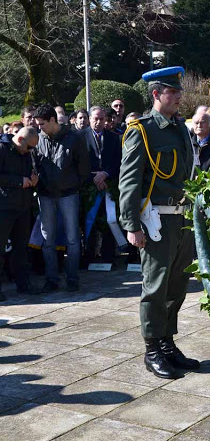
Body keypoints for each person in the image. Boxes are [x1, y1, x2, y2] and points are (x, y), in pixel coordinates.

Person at [118, 66, 199, 379]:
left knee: (177, 285)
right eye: (173, 91)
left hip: (182, 220)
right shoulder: (142, 130)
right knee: (155, 287)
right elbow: (129, 183)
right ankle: (152, 348)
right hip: (156, 223)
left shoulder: (179, 127)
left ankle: (167, 343)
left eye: (179, 91)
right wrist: (131, 225)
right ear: (156, 94)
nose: (179, 96)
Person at [34, 103, 90, 293]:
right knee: (48, 239)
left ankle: (72, 278)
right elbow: (35, 165)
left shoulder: (74, 139)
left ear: (52, 120)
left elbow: (84, 168)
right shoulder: (38, 139)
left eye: (41, 124)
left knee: (73, 238)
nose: (39, 128)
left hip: (69, 194)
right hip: (45, 195)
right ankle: (52, 279)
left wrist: (74, 185)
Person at [0, 126, 40, 300]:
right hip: (4, 207)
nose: (30, 151)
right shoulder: (2, 149)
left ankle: (23, 284)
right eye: (29, 147)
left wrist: (33, 177)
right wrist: (18, 181)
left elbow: (29, 170)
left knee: (21, 249)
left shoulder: (25, 153)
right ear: (20, 139)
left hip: (23, 207)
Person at [80, 106, 122, 263]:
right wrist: (94, 178)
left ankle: (108, 256)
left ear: (106, 120)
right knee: (89, 221)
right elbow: (79, 163)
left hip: (108, 186)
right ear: (90, 118)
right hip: (88, 186)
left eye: (101, 119)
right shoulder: (80, 137)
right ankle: (89, 255)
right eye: (95, 118)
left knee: (109, 221)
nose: (98, 122)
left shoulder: (114, 138)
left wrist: (105, 175)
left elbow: (118, 162)